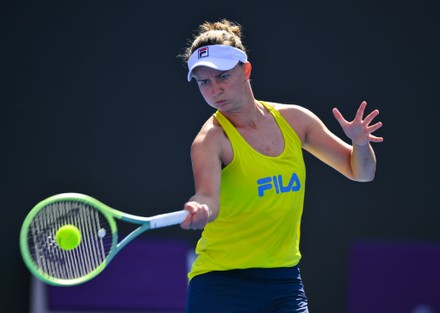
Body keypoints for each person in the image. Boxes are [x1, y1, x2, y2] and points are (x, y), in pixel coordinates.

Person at [178, 19, 383, 313]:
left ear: (246, 70)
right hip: (220, 285)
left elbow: (362, 172)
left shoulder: (296, 121)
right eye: (204, 82)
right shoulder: (210, 140)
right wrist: (200, 209)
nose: (214, 90)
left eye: (222, 77)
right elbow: (208, 197)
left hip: (283, 283)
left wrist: (360, 144)